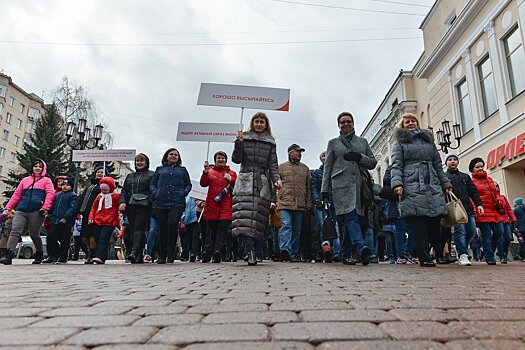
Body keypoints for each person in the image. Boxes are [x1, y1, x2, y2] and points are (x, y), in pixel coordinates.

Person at [390, 113, 452, 267]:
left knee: (435, 221)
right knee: (419, 223)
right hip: (412, 183)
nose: (410, 124)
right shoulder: (399, 143)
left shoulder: (428, 141)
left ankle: (439, 253)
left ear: (418, 123)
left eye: (413, 121)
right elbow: (396, 165)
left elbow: (438, 164)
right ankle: (424, 257)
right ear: (402, 126)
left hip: (432, 183)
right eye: (407, 122)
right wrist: (397, 184)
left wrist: (446, 184)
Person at [321, 112, 376, 266]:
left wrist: (359, 157)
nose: (346, 124)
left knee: (348, 220)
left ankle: (346, 255)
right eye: (343, 122)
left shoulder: (363, 142)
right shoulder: (333, 143)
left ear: (353, 123)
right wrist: (324, 190)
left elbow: (372, 162)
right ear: (338, 125)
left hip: (358, 185)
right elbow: (328, 167)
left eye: (349, 122)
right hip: (339, 186)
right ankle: (360, 246)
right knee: (349, 216)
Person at [231, 112, 282, 266]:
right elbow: (236, 159)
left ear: (266, 125)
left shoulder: (271, 143)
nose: (259, 124)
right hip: (245, 179)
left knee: (259, 218)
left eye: (262, 122)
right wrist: (238, 144)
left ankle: (256, 250)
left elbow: (272, 165)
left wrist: (277, 179)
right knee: (244, 217)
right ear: (252, 123)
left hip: (262, 182)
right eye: (256, 121)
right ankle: (249, 250)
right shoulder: (243, 138)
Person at [0, 159, 55, 265]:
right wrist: (7, 208)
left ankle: (39, 253)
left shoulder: (46, 181)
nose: (37, 168)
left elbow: (50, 194)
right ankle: (9, 254)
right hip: (21, 209)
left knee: (34, 234)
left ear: (43, 169)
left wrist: (45, 208)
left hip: (37, 211)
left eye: (40, 166)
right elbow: (17, 195)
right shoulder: (25, 180)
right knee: (15, 230)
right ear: (32, 167)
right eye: (35, 166)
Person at [150, 148, 192, 264]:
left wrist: (183, 193)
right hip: (161, 202)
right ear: (166, 156)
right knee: (162, 228)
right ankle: (162, 255)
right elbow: (152, 184)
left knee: (172, 224)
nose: (173, 156)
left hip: (177, 202)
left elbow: (188, 185)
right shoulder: (160, 169)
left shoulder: (182, 170)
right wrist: (156, 193)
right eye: (171, 154)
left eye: (176, 155)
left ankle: (171, 253)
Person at [443, 153, 483, 266]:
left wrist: (479, 204)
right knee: (460, 231)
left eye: (454, 159)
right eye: (450, 159)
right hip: (454, 208)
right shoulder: (444, 177)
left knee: (471, 231)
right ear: (446, 163)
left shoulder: (465, 176)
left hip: (467, 207)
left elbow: (473, 191)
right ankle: (462, 254)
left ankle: (461, 248)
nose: (452, 161)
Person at [200, 151, 237, 263]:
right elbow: (203, 183)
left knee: (222, 230)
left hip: (225, 205)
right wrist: (205, 173)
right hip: (212, 205)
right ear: (215, 160)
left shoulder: (232, 173)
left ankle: (217, 252)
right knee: (212, 230)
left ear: (226, 160)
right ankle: (208, 252)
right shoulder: (210, 172)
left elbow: (238, 186)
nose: (220, 159)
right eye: (218, 158)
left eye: (222, 158)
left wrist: (231, 180)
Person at [277, 144, 312, 262]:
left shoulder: (305, 169)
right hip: (284, 203)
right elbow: (274, 185)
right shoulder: (280, 167)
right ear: (290, 153)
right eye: (297, 152)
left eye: (300, 152)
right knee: (286, 225)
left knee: (296, 230)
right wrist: (274, 200)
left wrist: (309, 204)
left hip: (300, 203)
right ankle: (285, 250)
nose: (300, 154)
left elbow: (308, 188)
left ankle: (294, 253)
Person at [119, 153, 155, 264]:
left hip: (144, 206)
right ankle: (138, 255)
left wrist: (149, 200)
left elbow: (153, 190)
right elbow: (124, 190)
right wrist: (122, 202)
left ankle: (134, 252)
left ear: (146, 162)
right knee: (133, 228)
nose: (139, 163)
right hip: (131, 205)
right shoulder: (130, 176)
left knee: (139, 228)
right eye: (137, 161)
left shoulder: (151, 175)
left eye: (141, 160)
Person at [469, 157, 504, 265]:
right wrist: (475, 209)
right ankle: (489, 257)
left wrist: (498, 200)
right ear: (472, 169)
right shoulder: (472, 181)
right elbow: (472, 197)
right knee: (487, 235)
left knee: (499, 232)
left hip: (494, 211)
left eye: (481, 166)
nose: (480, 168)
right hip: (482, 211)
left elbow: (496, 193)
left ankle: (488, 252)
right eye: (477, 167)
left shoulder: (489, 179)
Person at [311, 151, 341, 262]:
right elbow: (314, 187)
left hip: (335, 202)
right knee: (323, 226)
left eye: (327, 154)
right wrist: (317, 200)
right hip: (322, 202)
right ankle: (326, 249)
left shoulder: (336, 171)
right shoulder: (317, 173)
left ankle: (337, 253)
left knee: (336, 227)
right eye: (323, 155)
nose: (325, 156)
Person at [43, 177, 79, 264]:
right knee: (51, 237)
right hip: (54, 219)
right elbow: (53, 206)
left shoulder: (73, 196)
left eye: (67, 185)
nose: (65, 187)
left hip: (66, 222)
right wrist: (48, 212)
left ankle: (63, 257)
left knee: (64, 240)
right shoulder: (58, 195)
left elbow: (73, 208)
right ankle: (52, 255)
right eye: (63, 185)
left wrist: (65, 217)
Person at [89, 177, 121, 264]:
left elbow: (119, 205)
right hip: (98, 220)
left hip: (109, 222)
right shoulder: (99, 196)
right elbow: (94, 207)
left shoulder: (115, 196)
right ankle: (100, 255)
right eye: (102, 189)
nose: (104, 191)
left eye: (106, 190)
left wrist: (116, 220)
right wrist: (91, 218)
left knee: (104, 239)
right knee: (97, 238)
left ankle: (100, 256)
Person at [78, 166, 106, 264]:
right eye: (98, 172)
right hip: (85, 213)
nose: (99, 173)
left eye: (102, 172)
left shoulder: (103, 187)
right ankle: (90, 251)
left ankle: (91, 254)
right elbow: (82, 197)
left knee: (92, 236)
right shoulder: (90, 185)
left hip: (95, 214)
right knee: (83, 237)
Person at [495, 183, 517, 263]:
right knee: (500, 238)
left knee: (508, 237)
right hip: (496, 220)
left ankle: (503, 252)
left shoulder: (503, 197)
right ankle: (502, 256)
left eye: (497, 186)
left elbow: (508, 209)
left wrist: (513, 219)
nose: (496, 187)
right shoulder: (491, 197)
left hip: (505, 220)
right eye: (494, 186)